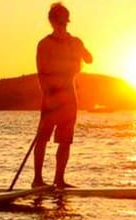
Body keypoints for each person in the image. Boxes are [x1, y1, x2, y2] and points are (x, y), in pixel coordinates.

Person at [32, 2, 92, 189]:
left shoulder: (75, 41)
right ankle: (37, 180)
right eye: (59, 21)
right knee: (42, 138)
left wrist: (80, 49)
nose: (62, 25)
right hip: (51, 96)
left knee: (65, 141)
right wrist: (48, 96)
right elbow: (41, 74)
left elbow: (89, 59)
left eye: (64, 22)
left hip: (69, 96)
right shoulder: (44, 44)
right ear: (52, 21)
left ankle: (59, 179)